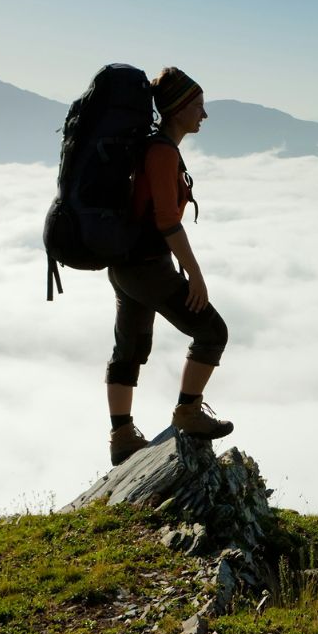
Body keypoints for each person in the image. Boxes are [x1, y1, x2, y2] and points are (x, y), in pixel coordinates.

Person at [105, 67, 233, 465]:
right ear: (178, 109)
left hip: (125, 266)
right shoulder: (160, 152)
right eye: (198, 105)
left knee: (129, 350)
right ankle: (188, 413)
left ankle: (122, 436)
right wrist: (195, 274)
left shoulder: (151, 148)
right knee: (212, 332)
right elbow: (166, 221)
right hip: (146, 266)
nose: (204, 115)